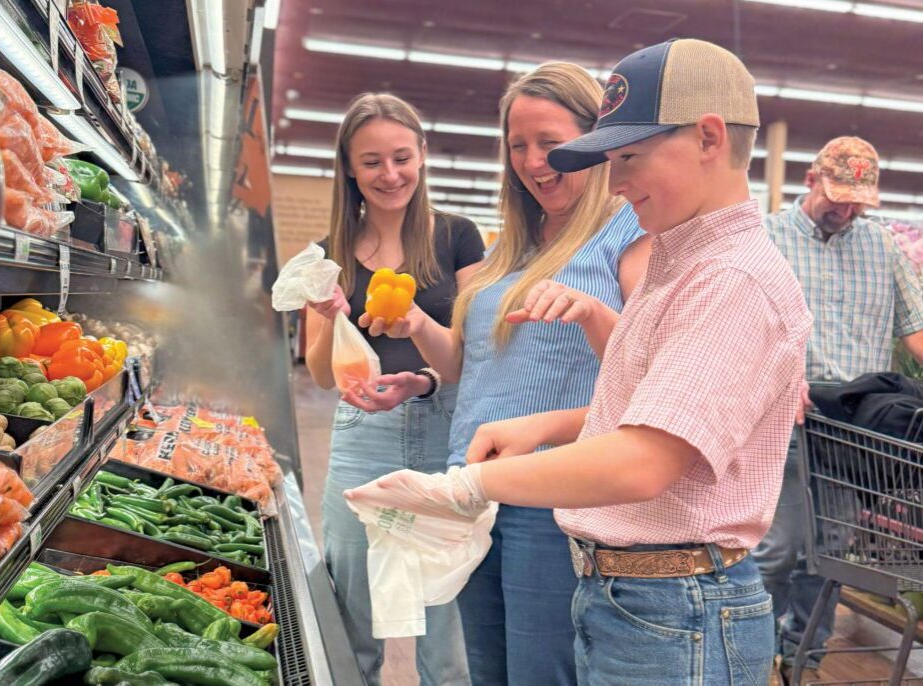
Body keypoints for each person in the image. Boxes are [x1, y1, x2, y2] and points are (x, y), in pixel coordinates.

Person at [347, 38, 812, 686]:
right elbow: (644, 407)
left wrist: (467, 486)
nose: (615, 181)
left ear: (709, 138)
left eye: (630, 158)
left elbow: (646, 459)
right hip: (633, 592)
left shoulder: (728, 279)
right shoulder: (681, 268)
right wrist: (543, 427)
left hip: (677, 601)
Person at [346, 62, 648, 685]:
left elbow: (651, 372)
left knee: (540, 671)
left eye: (553, 144)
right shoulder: (518, 240)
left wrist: (591, 312)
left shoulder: (628, 233)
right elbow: (469, 366)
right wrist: (419, 335)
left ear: (596, 139)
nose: (535, 163)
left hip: (553, 494)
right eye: (519, 146)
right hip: (475, 486)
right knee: (487, 671)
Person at [303, 92, 484, 686]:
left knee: (441, 610)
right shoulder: (328, 256)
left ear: (423, 156)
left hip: (441, 430)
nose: (390, 174)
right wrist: (330, 313)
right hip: (363, 438)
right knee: (355, 607)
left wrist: (417, 330)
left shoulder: (459, 238)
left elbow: (467, 358)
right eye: (372, 161)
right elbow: (321, 374)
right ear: (349, 169)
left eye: (402, 157)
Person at [755, 135, 923, 683]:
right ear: (811, 179)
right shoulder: (768, 239)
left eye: (856, 201)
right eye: (837, 196)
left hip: (855, 430)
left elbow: (916, 330)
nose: (845, 210)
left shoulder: (883, 248)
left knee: (827, 556)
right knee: (776, 551)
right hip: (787, 417)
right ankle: (750, 656)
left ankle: (803, 655)